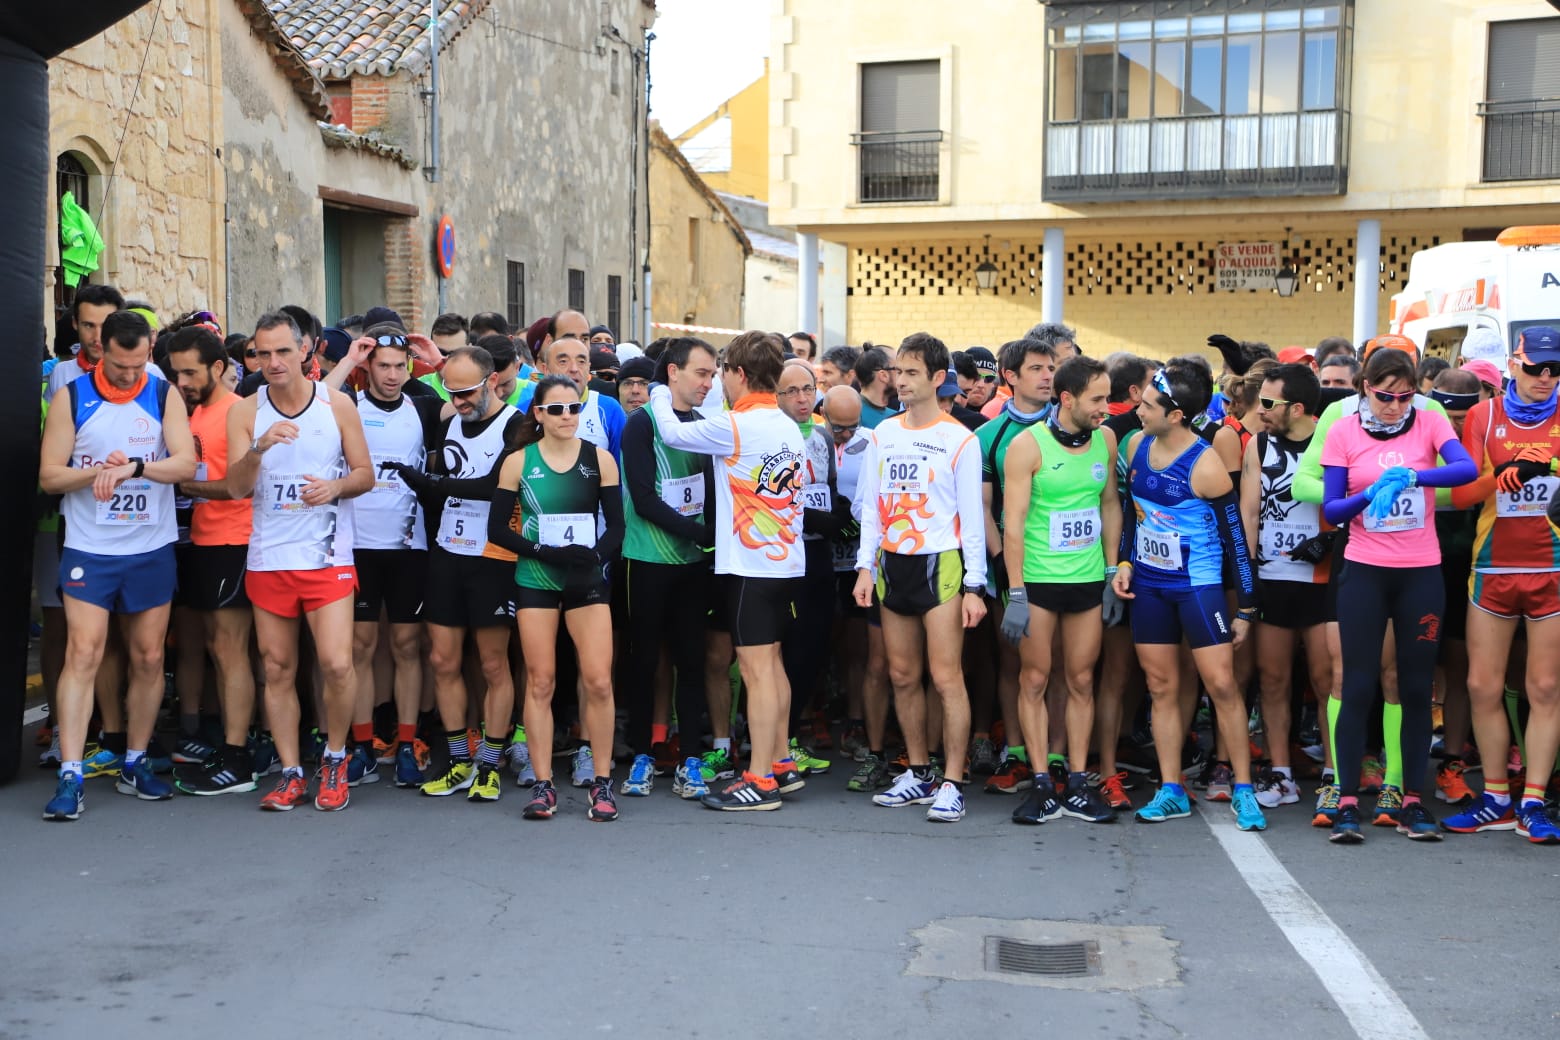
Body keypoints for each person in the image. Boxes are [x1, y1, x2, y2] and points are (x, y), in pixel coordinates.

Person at [39, 310, 197, 820]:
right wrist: (93, 477)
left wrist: (133, 468)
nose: (130, 375)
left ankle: (134, 760)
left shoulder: (162, 393)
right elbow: (49, 476)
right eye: (120, 365)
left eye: (139, 364)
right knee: (84, 653)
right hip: (91, 548)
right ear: (99, 350)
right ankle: (70, 773)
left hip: (149, 546)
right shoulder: (72, 397)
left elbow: (185, 464)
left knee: (149, 657)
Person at [1319, 346, 1476, 842]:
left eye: (1405, 396)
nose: (1395, 406)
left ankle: (1411, 800)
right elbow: (1331, 510)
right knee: (1359, 685)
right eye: (1386, 396)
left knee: (1414, 688)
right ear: (1366, 387)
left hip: (1420, 573)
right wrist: (1368, 494)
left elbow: (1466, 469)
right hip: (1365, 571)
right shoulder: (1344, 431)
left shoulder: (1428, 421)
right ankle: (1346, 801)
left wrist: (1414, 475)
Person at [647, 330, 807, 811]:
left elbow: (671, 431)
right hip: (784, 562)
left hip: (751, 565)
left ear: (737, 374)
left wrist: (659, 389)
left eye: (722, 374)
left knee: (756, 673)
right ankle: (780, 760)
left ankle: (759, 779)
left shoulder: (737, 426)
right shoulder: (783, 423)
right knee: (773, 665)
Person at [226, 312, 374, 812]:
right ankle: (291, 772)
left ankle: (334, 757)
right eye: (262, 353)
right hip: (270, 557)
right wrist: (258, 448)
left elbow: (364, 474)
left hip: (327, 554)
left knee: (336, 663)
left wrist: (334, 487)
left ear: (305, 351)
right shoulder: (245, 411)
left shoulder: (337, 405)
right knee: (277, 668)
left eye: (282, 352)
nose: (272, 362)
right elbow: (236, 487)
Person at [1117, 362, 1266, 831]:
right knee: (1161, 687)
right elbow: (1130, 510)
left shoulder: (1206, 466)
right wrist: (1123, 562)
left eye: (1148, 405)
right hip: (1150, 586)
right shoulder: (1139, 445)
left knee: (1221, 686)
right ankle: (1171, 788)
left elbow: (1237, 543)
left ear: (1177, 415)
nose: (1138, 410)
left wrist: (1246, 606)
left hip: (1197, 588)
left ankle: (1244, 789)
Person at [853, 333, 988, 823]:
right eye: (897, 372)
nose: (900, 381)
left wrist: (975, 586)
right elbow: (872, 507)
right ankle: (919, 771)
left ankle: (952, 781)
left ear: (937, 379)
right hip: (893, 564)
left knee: (946, 677)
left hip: (942, 565)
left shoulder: (961, 439)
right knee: (902, 675)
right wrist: (864, 565)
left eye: (912, 373)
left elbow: (973, 518)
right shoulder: (882, 434)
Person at [387, 345, 527, 801]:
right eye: (451, 391)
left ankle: (490, 763)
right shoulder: (449, 423)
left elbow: (494, 487)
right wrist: (420, 483)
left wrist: (434, 484)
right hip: (447, 550)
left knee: (492, 664)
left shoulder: (517, 425)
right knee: (443, 660)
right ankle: (460, 761)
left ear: (491, 382)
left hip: (491, 557)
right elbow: (439, 490)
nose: (459, 401)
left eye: (467, 392)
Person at [487, 376, 625, 821]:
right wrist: (546, 553)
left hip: (586, 582)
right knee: (541, 681)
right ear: (539, 413)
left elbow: (617, 527)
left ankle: (603, 783)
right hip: (536, 579)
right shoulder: (518, 462)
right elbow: (497, 531)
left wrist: (593, 556)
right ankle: (544, 784)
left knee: (599, 680)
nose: (568, 416)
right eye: (558, 408)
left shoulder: (600, 459)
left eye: (574, 408)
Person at [1443, 326, 1560, 843]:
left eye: (1556, 369)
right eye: (1536, 368)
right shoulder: (1483, 415)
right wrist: (1503, 475)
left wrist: (1550, 466)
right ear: (1515, 363)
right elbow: (1463, 492)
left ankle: (1533, 801)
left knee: (1544, 688)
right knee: (1481, 686)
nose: (1546, 377)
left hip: (1552, 569)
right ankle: (1495, 797)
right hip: (1492, 567)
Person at [1000, 355, 1122, 826]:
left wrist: (1111, 574)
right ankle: (1040, 784)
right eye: (1096, 399)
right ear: (1067, 399)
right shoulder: (1026, 447)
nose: (1105, 407)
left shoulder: (1105, 440)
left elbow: (1110, 504)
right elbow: (1012, 525)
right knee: (1034, 679)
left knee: (1082, 680)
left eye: (1107, 397)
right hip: (1038, 581)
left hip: (1087, 581)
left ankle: (1076, 781)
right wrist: (1015, 593)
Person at [617, 338, 718, 799]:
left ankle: (691, 759)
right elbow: (642, 497)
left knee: (691, 661)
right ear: (673, 373)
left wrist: (711, 538)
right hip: (649, 560)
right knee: (645, 660)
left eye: (713, 375)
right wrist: (699, 534)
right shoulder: (642, 425)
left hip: (695, 565)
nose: (707, 382)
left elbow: (712, 494)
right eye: (701, 373)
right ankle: (641, 753)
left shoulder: (703, 425)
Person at [162, 326, 261, 796]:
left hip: (235, 540)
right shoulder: (194, 412)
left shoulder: (237, 412)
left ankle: (239, 758)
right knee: (215, 651)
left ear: (218, 368)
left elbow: (241, 485)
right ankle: (231, 744)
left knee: (230, 649)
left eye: (189, 372)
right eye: (175, 372)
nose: (181, 381)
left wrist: (186, 487)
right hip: (204, 540)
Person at [343, 327, 444, 788]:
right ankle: (363, 745)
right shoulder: (347, 405)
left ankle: (406, 743)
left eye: (400, 366)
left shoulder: (422, 406)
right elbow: (313, 407)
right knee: (360, 648)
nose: (391, 375)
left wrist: (438, 364)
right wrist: (349, 360)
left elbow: (474, 400)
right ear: (367, 367)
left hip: (409, 547)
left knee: (406, 647)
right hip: (358, 544)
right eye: (381, 365)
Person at [1238, 362, 1334, 811]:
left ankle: (1335, 774)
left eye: (1269, 404)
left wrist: (1331, 540)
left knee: (1327, 679)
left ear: (1297, 408)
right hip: (1274, 576)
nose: (1260, 411)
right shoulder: (1258, 444)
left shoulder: (1331, 440)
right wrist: (1247, 581)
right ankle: (1282, 775)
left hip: (1322, 578)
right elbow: (1250, 515)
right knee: (1273, 679)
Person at [974, 337, 1058, 795]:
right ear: (1011, 377)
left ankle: (1060, 757)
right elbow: (985, 508)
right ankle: (1020, 753)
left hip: (1066, 568)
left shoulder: (1069, 426)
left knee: (1063, 666)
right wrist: (1003, 564)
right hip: (1011, 569)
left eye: (1052, 367)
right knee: (1016, 664)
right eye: (1037, 368)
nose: (1048, 376)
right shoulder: (989, 436)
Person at [778, 359, 846, 776]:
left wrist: (837, 514)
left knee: (815, 649)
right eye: (793, 392)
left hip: (820, 556)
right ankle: (775, 739)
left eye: (808, 389)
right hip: (786, 556)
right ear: (777, 397)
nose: (804, 399)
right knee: (790, 650)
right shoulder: (772, 434)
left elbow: (828, 489)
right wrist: (808, 518)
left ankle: (792, 733)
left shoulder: (821, 435)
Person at [46, 284, 133, 398]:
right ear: (75, 323)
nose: (97, 337)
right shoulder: (61, 373)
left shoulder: (146, 374)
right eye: (88, 325)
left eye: (106, 326)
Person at [854, 345, 900, 429]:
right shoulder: (850, 415)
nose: (904, 376)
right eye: (899, 369)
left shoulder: (897, 417)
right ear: (884, 376)